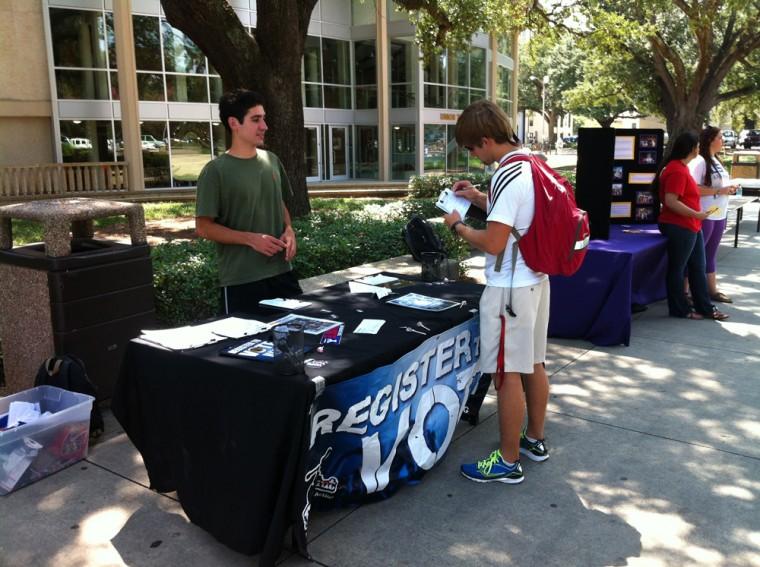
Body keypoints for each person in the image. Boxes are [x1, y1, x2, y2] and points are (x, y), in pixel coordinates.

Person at [441, 100, 550, 485]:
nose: (473, 155)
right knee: (534, 363)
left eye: (472, 148)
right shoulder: (530, 162)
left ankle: (506, 460)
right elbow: (519, 214)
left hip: (509, 290)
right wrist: (477, 198)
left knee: (506, 375)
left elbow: (493, 241)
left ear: (486, 140)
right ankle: (533, 438)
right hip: (535, 280)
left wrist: (457, 225)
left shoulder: (507, 173)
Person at [195, 89, 301, 314]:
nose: (264, 126)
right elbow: (203, 227)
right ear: (234, 123)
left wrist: (289, 230)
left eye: (263, 118)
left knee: (302, 340)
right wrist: (250, 239)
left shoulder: (272, 160)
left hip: (283, 273)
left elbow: (279, 202)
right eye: (256, 119)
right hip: (241, 280)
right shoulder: (215, 172)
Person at [656, 131, 728, 320]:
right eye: (697, 145)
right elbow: (671, 201)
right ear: (691, 149)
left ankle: (705, 307)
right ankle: (680, 309)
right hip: (679, 226)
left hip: (692, 225)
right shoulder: (676, 170)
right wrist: (696, 214)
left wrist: (696, 217)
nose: (699, 148)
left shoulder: (681, 167)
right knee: (678, 269)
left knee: (698, 266)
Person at [688, 126, 738, 303]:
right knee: (696, 256)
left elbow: (718, 187)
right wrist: (719, 190)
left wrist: (728, 189)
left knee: (710, 254)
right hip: (705, 215)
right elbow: (693, 189)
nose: (723, 140)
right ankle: (686, 293)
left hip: (720, 214)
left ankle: (712, 291)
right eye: (720, 137)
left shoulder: (716, 160)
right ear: (710, 140)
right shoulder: (699, 161)